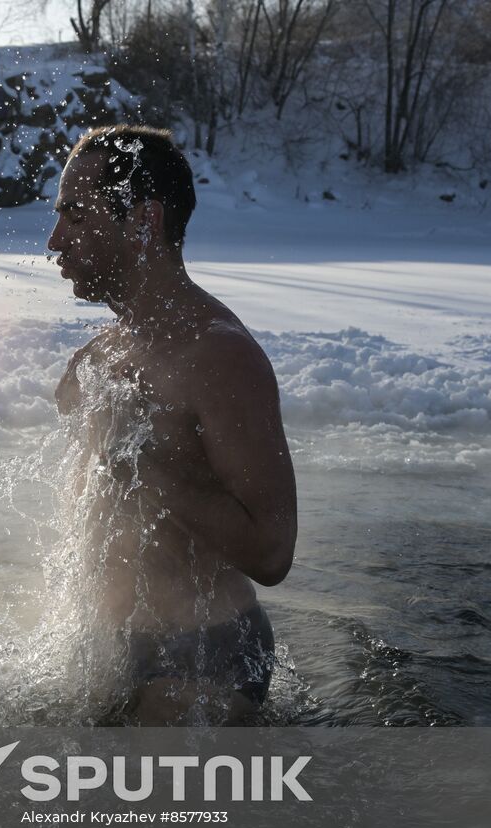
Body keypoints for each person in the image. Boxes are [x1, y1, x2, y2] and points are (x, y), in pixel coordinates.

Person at [48, 125, 297, 725]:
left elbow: (272, 550)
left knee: (136, 817)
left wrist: (143, 466)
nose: (55, 241)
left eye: (76, 217)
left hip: (201, 658)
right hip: (110, 647)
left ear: (144, 221)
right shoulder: (106, 351)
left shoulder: (219, 356)